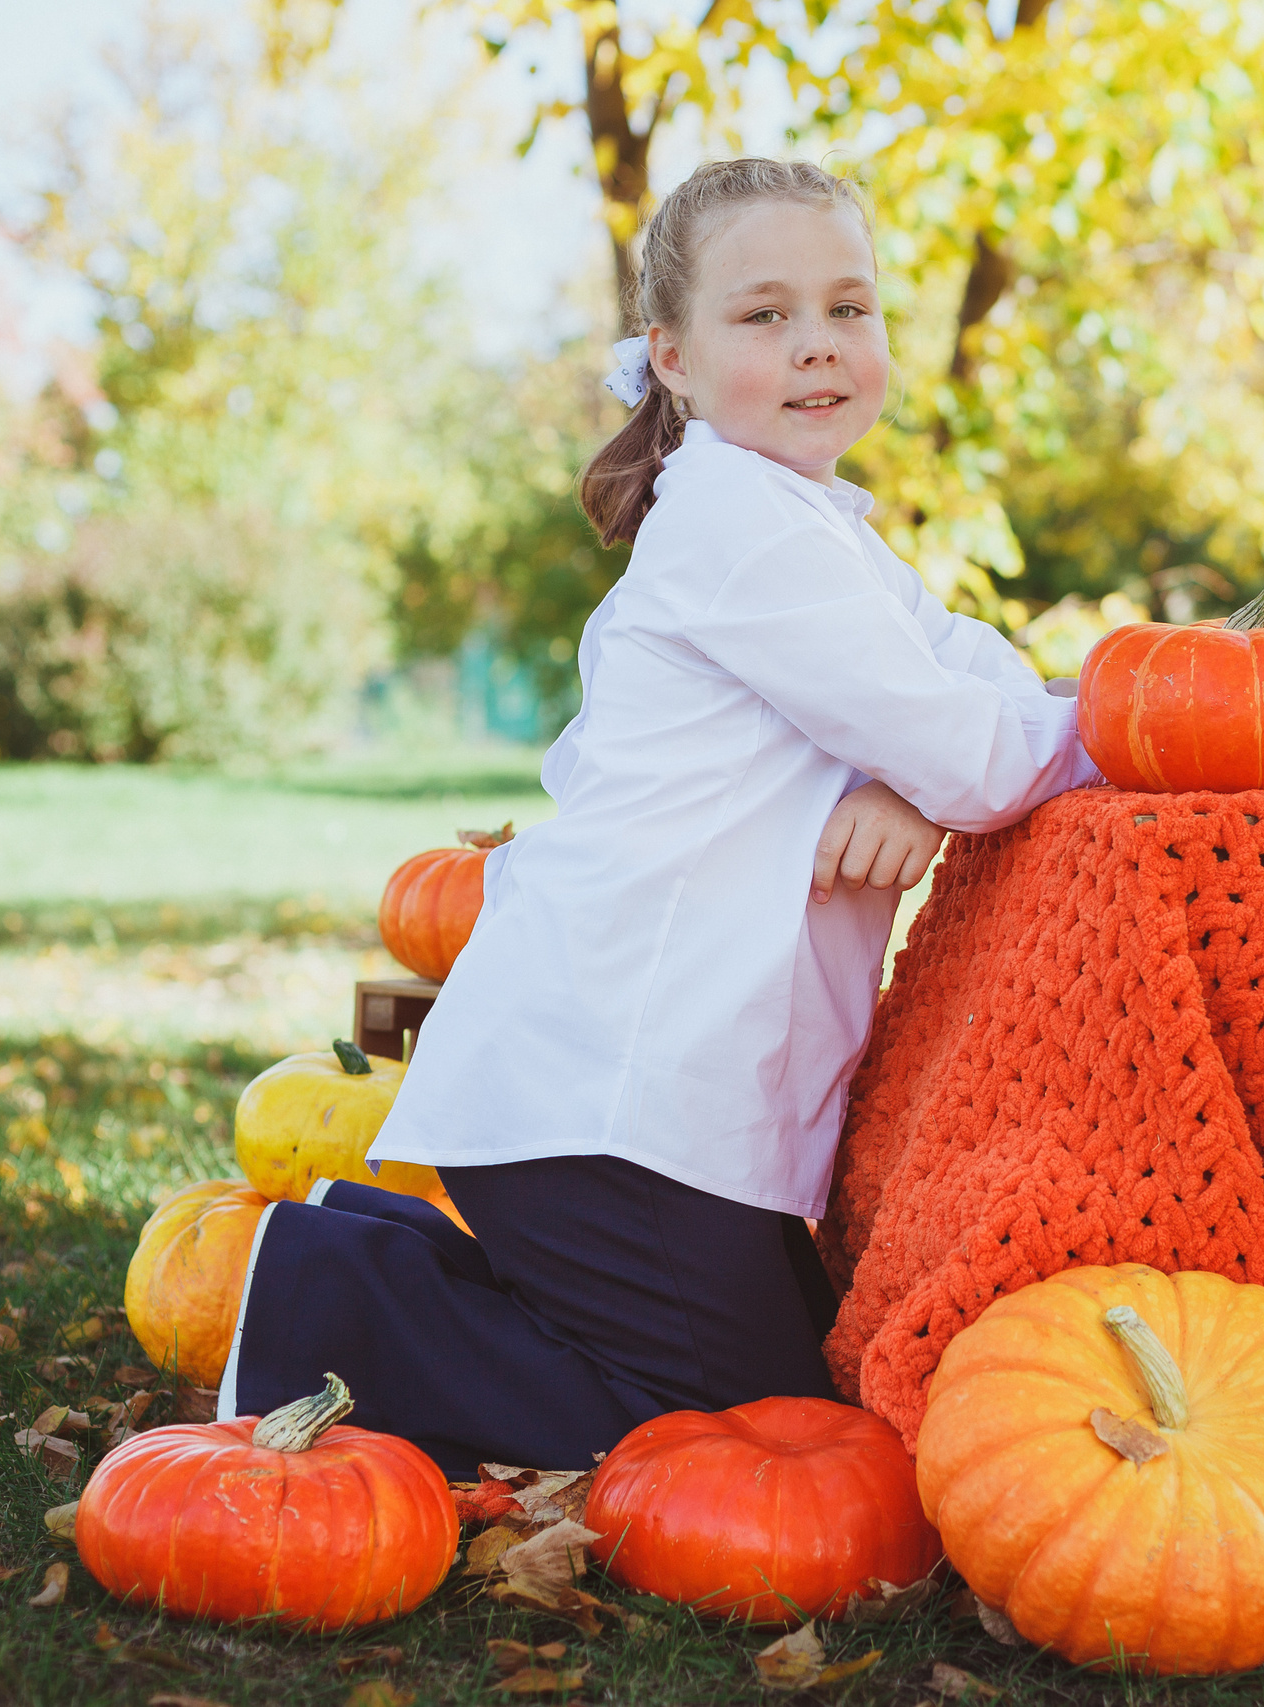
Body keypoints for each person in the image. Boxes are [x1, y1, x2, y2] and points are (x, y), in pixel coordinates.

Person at [211, 159, 1100, 1475]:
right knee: (729, 1435)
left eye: (849, 308)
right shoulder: (742, 530)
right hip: (611, 1089)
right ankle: (330, 1306)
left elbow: (971, 678)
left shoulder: (813, 529)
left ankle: (372, 1245)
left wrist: (924, 775)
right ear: (672, 358)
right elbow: (972, 751)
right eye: (765, 315)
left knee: (788, 1389)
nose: (817, 343)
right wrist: (1076, 734)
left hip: (655, 1095)